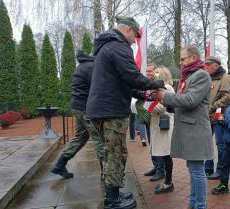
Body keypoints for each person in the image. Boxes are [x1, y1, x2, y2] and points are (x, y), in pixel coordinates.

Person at [86, 17, 165, 209]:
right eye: (135, 36)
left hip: (101, 109)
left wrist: (145, 96)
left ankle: (114, 192)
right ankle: (112, 200)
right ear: (128, 30)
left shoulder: (106, 46)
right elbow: (132, 77)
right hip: (111, 111)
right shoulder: (119, 46)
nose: (135, 40)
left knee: (111, 153)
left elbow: (124, 83)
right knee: (115, 154)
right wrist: (157, 84)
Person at [154, 45, 213, 209]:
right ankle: (193, 202)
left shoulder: (201, 75)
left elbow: (190, 100)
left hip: (196, 130)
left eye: (183, 58)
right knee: (193, 168)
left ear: (193, 58)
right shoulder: (189, 76)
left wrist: (165, 96)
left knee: (197, 170)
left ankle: (200, 205)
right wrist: (168, 103)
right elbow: (183, 102)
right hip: (190, 129)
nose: (180, 62)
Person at [51, 50, 105, 180]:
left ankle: (60, 164)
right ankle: (106, 171)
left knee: (80, 137)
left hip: (77, 107)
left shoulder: (82, 66)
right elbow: (99, 88)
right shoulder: (91, 67)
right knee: (99, 137)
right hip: (86, 108)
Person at [203, 56, 230, 179]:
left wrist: (212, 106)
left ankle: (220, 171)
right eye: (205, 64)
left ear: (217, 65)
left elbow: (227, 97)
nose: (206, 66)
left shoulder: (224, 77)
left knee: (220, 144)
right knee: (207, 143)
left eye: (209, 64)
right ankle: (208, 167)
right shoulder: (207, 77)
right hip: (207, 116)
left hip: (219, 116)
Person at [149, 67, 175, 194]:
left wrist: (146, 105)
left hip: (164, 127)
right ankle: (166, 180)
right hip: (158, 125)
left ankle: (168, 182)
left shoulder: (167, 88)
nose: (154, 76)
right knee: (163, 154)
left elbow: (161, 108)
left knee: (166, 154)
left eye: (156, 74)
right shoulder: (157, 88)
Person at [142, 63, 165, 182]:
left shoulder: (159, 84)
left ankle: (161, 170)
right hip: (148, 118)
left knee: (158, 145)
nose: (148, 74)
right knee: (152, 144)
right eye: (146, 72)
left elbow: (160, 104)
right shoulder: (147, 84)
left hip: (157, 119)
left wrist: (145, 105)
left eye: (150, 71)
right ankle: (156, 167)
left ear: (156, 71)